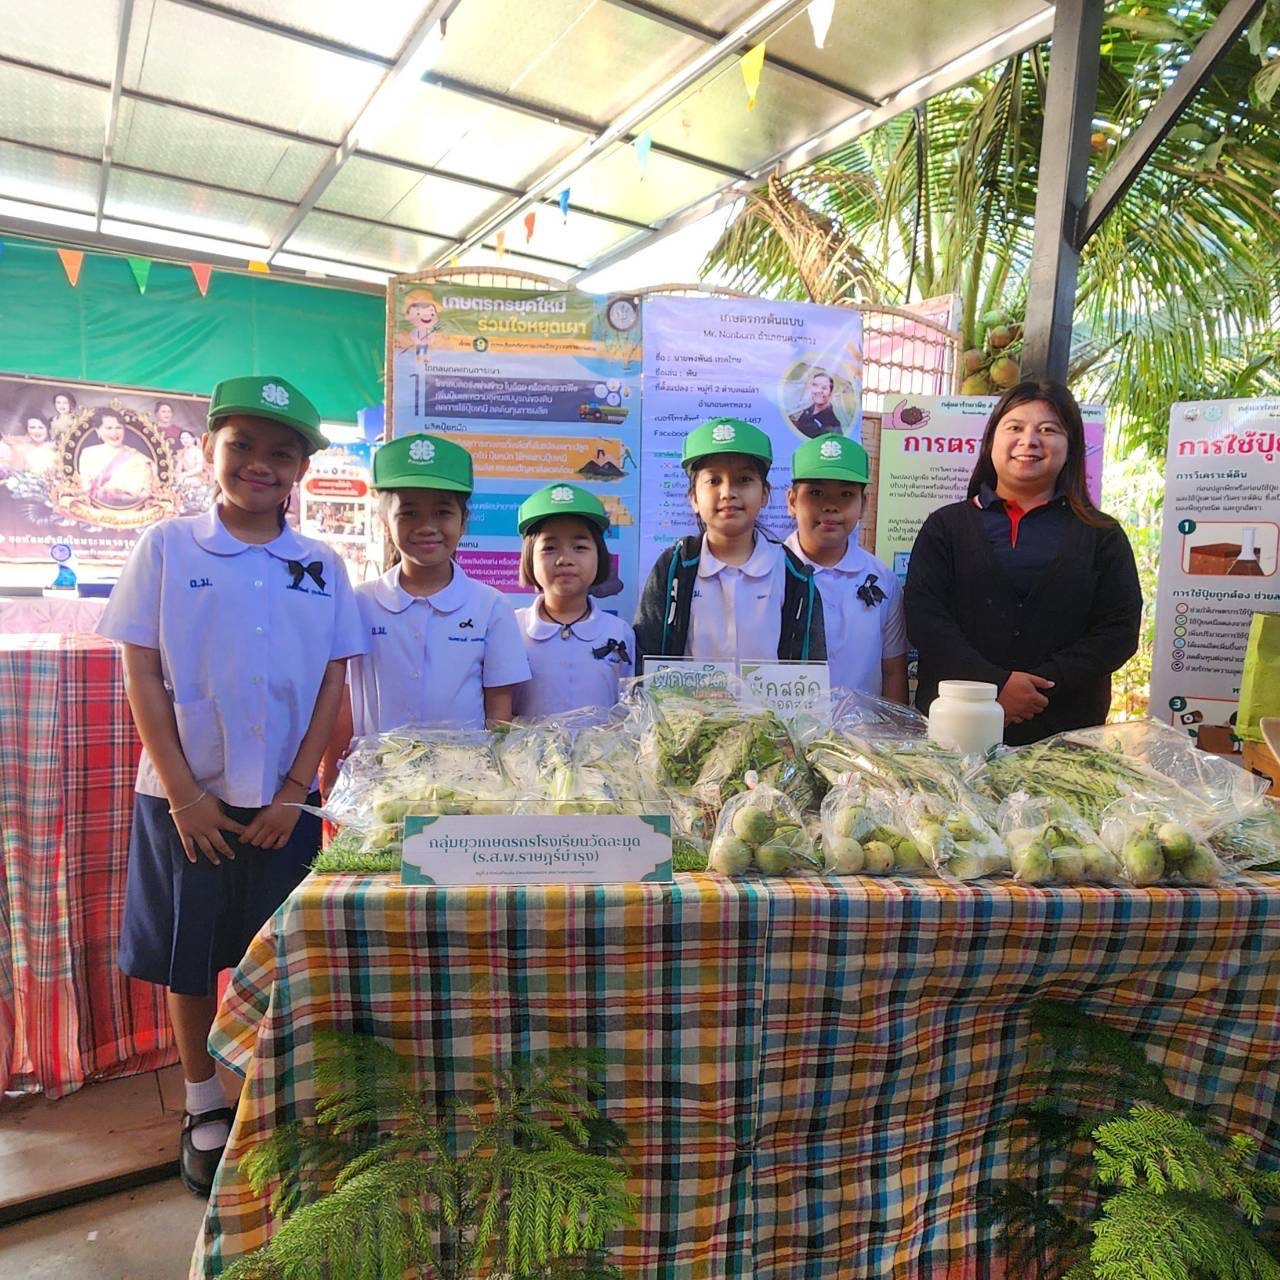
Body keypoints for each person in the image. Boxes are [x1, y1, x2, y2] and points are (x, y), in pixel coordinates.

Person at [97, 375, 365, 1198]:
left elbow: (331, 682)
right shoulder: (168, 547)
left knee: (277, 954)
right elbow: (141, 668)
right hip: (184, 798)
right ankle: (203, 1101)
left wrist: (294, 792)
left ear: (302, 470)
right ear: (210, 448)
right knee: (192, 954)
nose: (259, 463)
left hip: (281, 806)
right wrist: (183, 793)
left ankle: (272, 1095)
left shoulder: (321, 564)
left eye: (280, 451)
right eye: (241, 444)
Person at [904, 379, 1141, 745]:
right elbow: (925, 618)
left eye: (1048, 430)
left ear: (1071, 446)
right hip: (957, 732)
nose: (1029, 440)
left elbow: (1118, 631)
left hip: (1064, 735)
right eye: (1015, 427)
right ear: (991, 442)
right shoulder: (946, 527)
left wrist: (1037, 688)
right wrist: (995, 686)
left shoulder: (1101, 535)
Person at [342, 433, 530, 737]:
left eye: (443, 513)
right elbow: (344, 697)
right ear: (384, 522)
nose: (427, 527)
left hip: (462, 779)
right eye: (409, 513)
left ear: (464, 521)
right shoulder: (360, 602)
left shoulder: (490, 607)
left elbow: (499, 710)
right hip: (377, 777)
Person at [633, 417, 825, 668]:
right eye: (713, 481)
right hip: (688, 708)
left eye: (744, 480)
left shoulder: (793, 574)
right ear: (693, 498)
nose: (728, 492)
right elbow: (645, 661)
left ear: (765, 494)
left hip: (770, 709)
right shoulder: (673, 569)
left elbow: (811, 671)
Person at [785, 434, 908, 702]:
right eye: (816, 493)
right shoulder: (772, 573)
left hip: (862, 740)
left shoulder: (882, 579)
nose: (830, 506)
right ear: (792, 501)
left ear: (863, 504)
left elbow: (893, 670)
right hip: (785, 738)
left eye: (846, 494)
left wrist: (894, 737)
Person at [512, 483, 634, 719]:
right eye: (549, 548)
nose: (565, 559)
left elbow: (627, 710)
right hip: (526, 756)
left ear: (599, 555)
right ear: (529, 558)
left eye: (580, 547)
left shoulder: (619, 632)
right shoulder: (511, 628)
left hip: (603, 756)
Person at [77, 411, 157, 506]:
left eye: (118, 428)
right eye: (109, 428)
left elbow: (146, 493)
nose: (114, 433)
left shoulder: (139, 459)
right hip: (94, 511)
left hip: (131, 513)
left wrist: (121, 496)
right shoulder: (88, 454)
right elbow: (85, 489)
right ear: (98, 431)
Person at [790, 369, 842, 438]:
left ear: (830, 393)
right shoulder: (807, 410)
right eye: (815, 385)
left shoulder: (832, 425)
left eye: (824, 388)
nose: (818, 390)